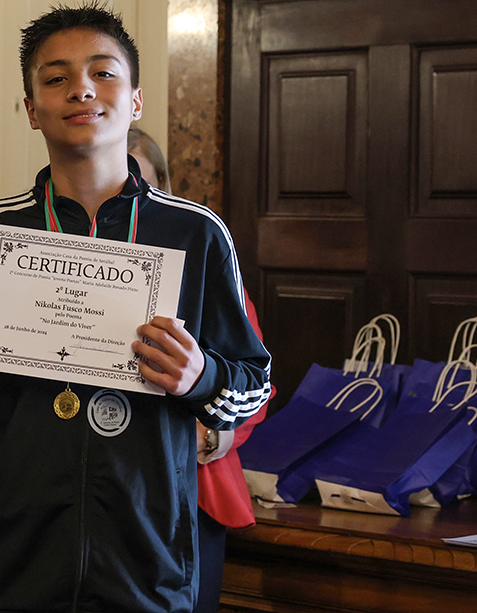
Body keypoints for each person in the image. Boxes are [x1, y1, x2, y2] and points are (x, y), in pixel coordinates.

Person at [0, 2, 272, 613]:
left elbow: (254, 386)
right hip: (4, 568)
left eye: (103, 73)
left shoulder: (197, 235)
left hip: (145, 568)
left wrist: (201, 377)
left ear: (135, 101)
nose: (81, 89)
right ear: (32, 109)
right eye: (56, 78)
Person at [129, 126, 275, 613]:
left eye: (139, 182)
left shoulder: (206, 261)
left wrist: (210, 437)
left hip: (191, 489)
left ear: (163, 189)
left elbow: (254, 383)